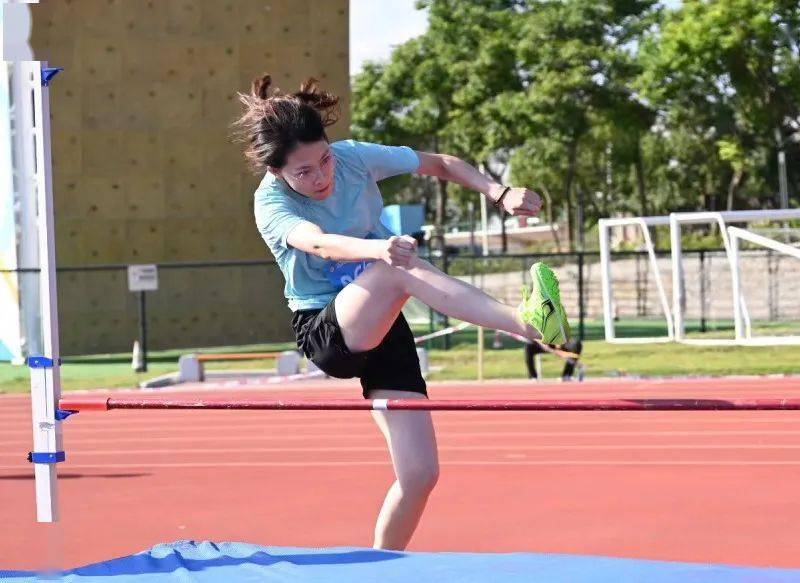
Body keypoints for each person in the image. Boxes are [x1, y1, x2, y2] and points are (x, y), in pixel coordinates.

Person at [232, 76, 570, 550]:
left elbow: (441, 163)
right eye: (304, 172)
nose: (322, 176)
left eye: (324, 159)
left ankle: (382, 566)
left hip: (381, 322)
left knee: (420, 474)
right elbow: (319, 243)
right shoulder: (271, 203)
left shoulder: (352, 157)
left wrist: (498, 192)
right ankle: (529, 324)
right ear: (277, 171)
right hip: (326, 328)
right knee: (394, 269)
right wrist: (377, 248)